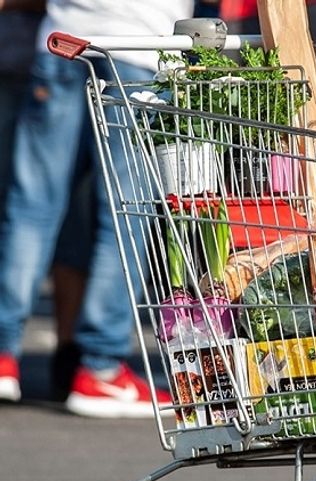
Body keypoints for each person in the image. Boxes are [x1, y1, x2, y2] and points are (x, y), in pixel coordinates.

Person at [0, 0, 194, 416]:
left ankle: (3, 353)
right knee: (127, 215)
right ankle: (100, 368)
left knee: (31, 207)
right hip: (137, 48)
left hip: (62, 41)